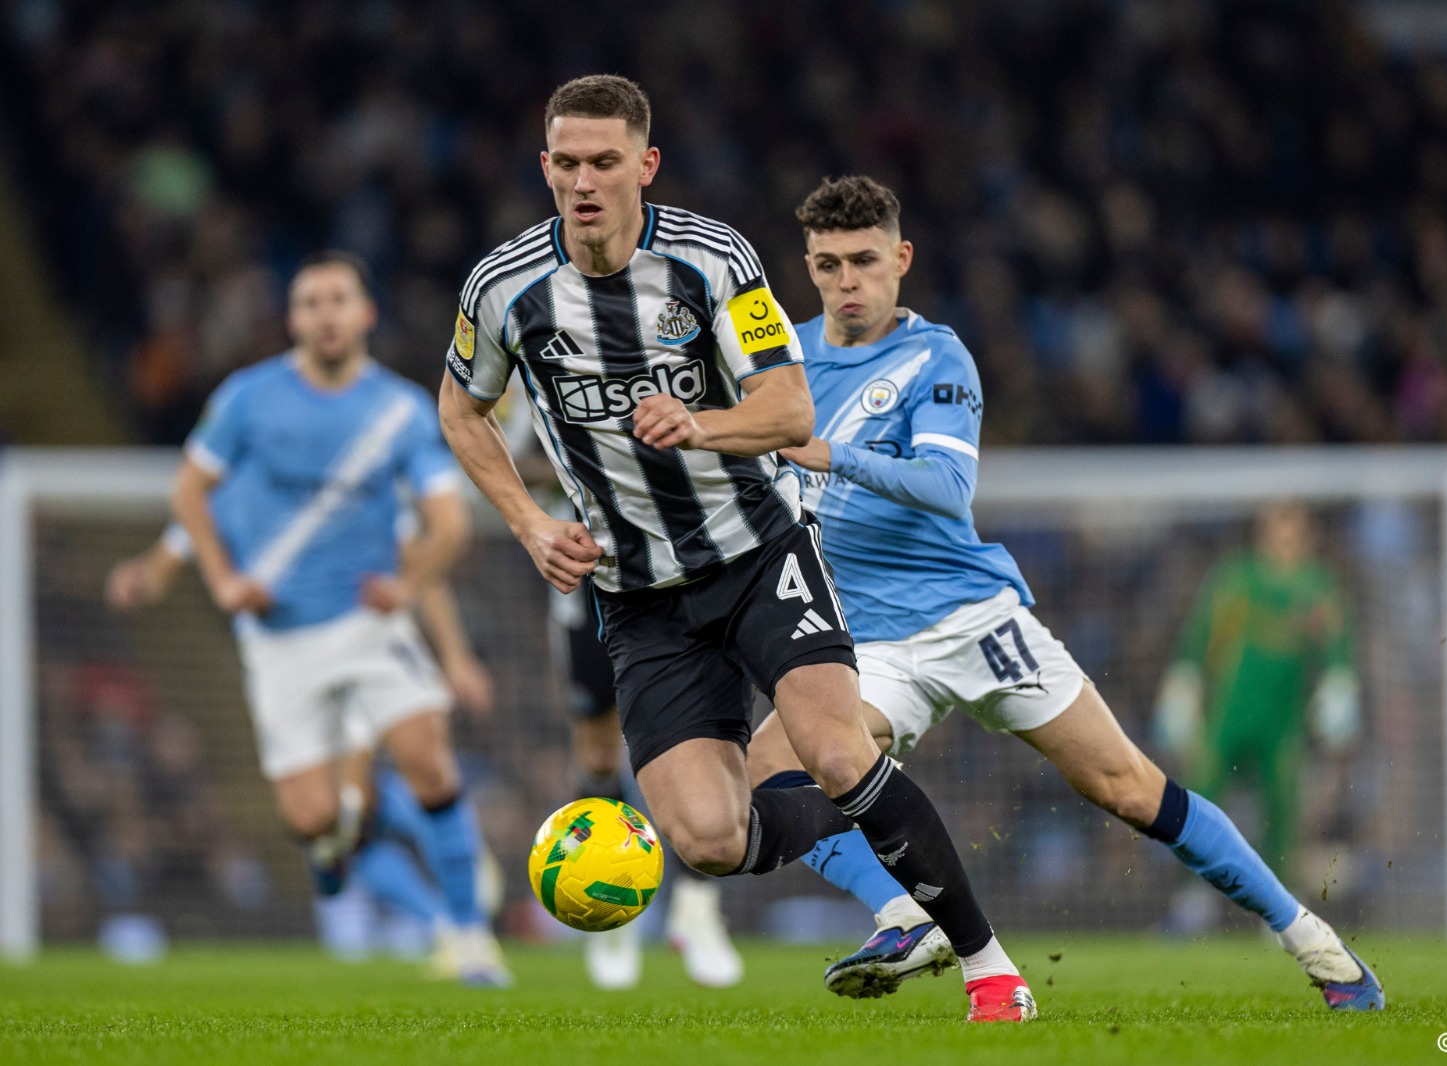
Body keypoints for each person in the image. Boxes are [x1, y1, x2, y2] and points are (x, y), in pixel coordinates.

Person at [438, 75, 1034, 1022]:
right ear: (544, 166)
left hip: (757, 555)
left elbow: (790, 411)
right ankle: (882, 819)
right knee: (710, 840)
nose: (585, 182)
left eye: (605, 162)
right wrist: (531, 524)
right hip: (638, 597)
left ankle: (990, 969)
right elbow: (461, 410)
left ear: (646, 165)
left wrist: (700, 424)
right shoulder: (504, 287)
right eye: (568, 163)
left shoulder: (713, 260)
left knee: (834, 750)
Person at [741, 176, 1385, 1012]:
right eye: (829, 265)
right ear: (808, 268)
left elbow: (945, 485)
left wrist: (833, 454)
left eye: (864, 260)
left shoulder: (937, 358)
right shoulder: (782, 364)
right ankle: (905, 914)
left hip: (973, 623)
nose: (847, 281)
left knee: (1129, 787)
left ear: (901, 259)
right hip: (865, 644)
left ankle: (1312, 940)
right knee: (771, 768)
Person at [169, 249, 511, 987]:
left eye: (338, 300)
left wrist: (407, 584)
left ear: (365, 313)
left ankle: (470, 938)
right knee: (312, 818)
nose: (326, 315)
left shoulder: (401, 410)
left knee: (428, 757)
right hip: (280, 637)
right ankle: (332, 844)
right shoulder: (248, 399)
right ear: (292, 319)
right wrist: (224, 580)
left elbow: (449, 522)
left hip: (368, 625)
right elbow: (190, 492)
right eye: (310, 302)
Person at [105, 517, 499, 969]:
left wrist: (455, 654)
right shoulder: (233, 482)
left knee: (374, 792)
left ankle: (452, 919)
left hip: (359, 643)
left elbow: (421, 559)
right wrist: (149, 575)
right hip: (284, 661)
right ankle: (437, 875)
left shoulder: (362, 481)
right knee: (325, 819)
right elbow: (189, 526)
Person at [500, 397, 743, 989]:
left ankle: (696, 908)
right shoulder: (543, 372)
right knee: (599, 751)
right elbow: (506, 457)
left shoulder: (681, 355)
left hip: (691, 563)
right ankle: (609, 905)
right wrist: (586, 462)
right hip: (596, 577)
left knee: (704, 739)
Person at [1154, 501, 1360, 881]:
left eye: (1293, 531)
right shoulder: (1236, 580)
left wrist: (1339, 684)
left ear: (1308, 535)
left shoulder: (1317, 587)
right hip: (1227, 715)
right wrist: (1183, 682)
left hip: (1282, 723)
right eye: (1276, 529)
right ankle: (1192, 897)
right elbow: (1200, 635)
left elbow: (1337, 644)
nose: (1284, 540)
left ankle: (1280, 904)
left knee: (1284, 814)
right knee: (1201, 800)